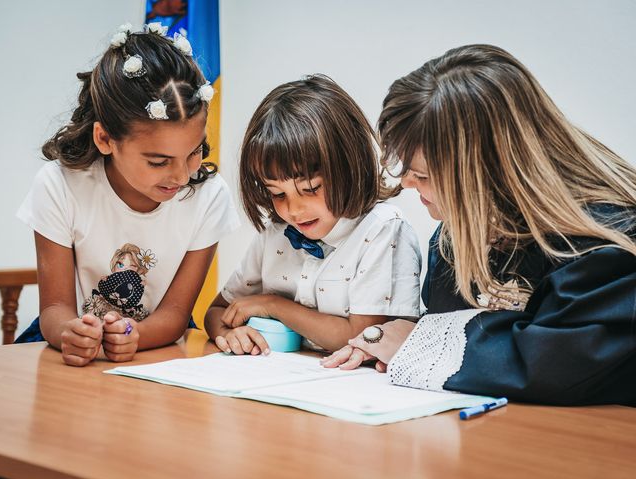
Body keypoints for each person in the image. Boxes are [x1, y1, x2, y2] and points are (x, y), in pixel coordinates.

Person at [322, 44, 636, 406]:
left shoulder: (607, 243)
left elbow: (555, 365)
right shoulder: (455, 237)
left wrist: (418, 344)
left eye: (421, 175)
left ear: (487, 173)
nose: (407, 184)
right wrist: (396, 344)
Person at [15, 23, 240, 367]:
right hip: (66, 342)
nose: (182, 175)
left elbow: (176, 313)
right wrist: (71, 332)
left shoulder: (209, 197)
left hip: (158, 341)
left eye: (194, 152)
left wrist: (134, 335)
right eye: (159, 161)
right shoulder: (59, 186)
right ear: (105, 139)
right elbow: (54, 310)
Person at [205, 75, 422, 354]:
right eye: (278, 194)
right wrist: (228, 333)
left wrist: (273, 304)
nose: (293, 210)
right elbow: (218, 311)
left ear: (348, 166)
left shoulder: (382, 229)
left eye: (310, 189)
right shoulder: (277, 233)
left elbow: (361, 337)